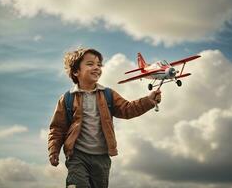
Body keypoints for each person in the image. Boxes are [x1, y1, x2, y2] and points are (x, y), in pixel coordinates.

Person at [48, 48, 161, 188]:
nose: (96, 67)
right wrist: (54, 150)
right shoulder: (67, 99)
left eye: (99, 64)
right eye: (90, 64)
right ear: (76, 72)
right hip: (77, 156)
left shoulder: (108, 94)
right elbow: (57, 128)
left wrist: (148, 101)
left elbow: (127, 109)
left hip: (102, 157)